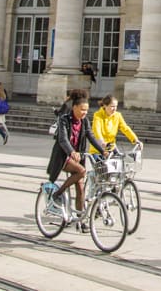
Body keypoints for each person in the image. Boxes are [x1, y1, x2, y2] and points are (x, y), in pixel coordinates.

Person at [47, 89, 109, 225]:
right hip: (63, 157)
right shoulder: (64, 120)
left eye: (86, 110)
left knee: (80, 188)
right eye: (82, 109)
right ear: (74, 107)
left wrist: (102, 150)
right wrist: (71, 152)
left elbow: (91, 136)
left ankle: (81, 221)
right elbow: (62, 139)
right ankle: (57, 194)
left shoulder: (85, 121)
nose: (84, 113)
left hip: (77, 158)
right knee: (81, 171)